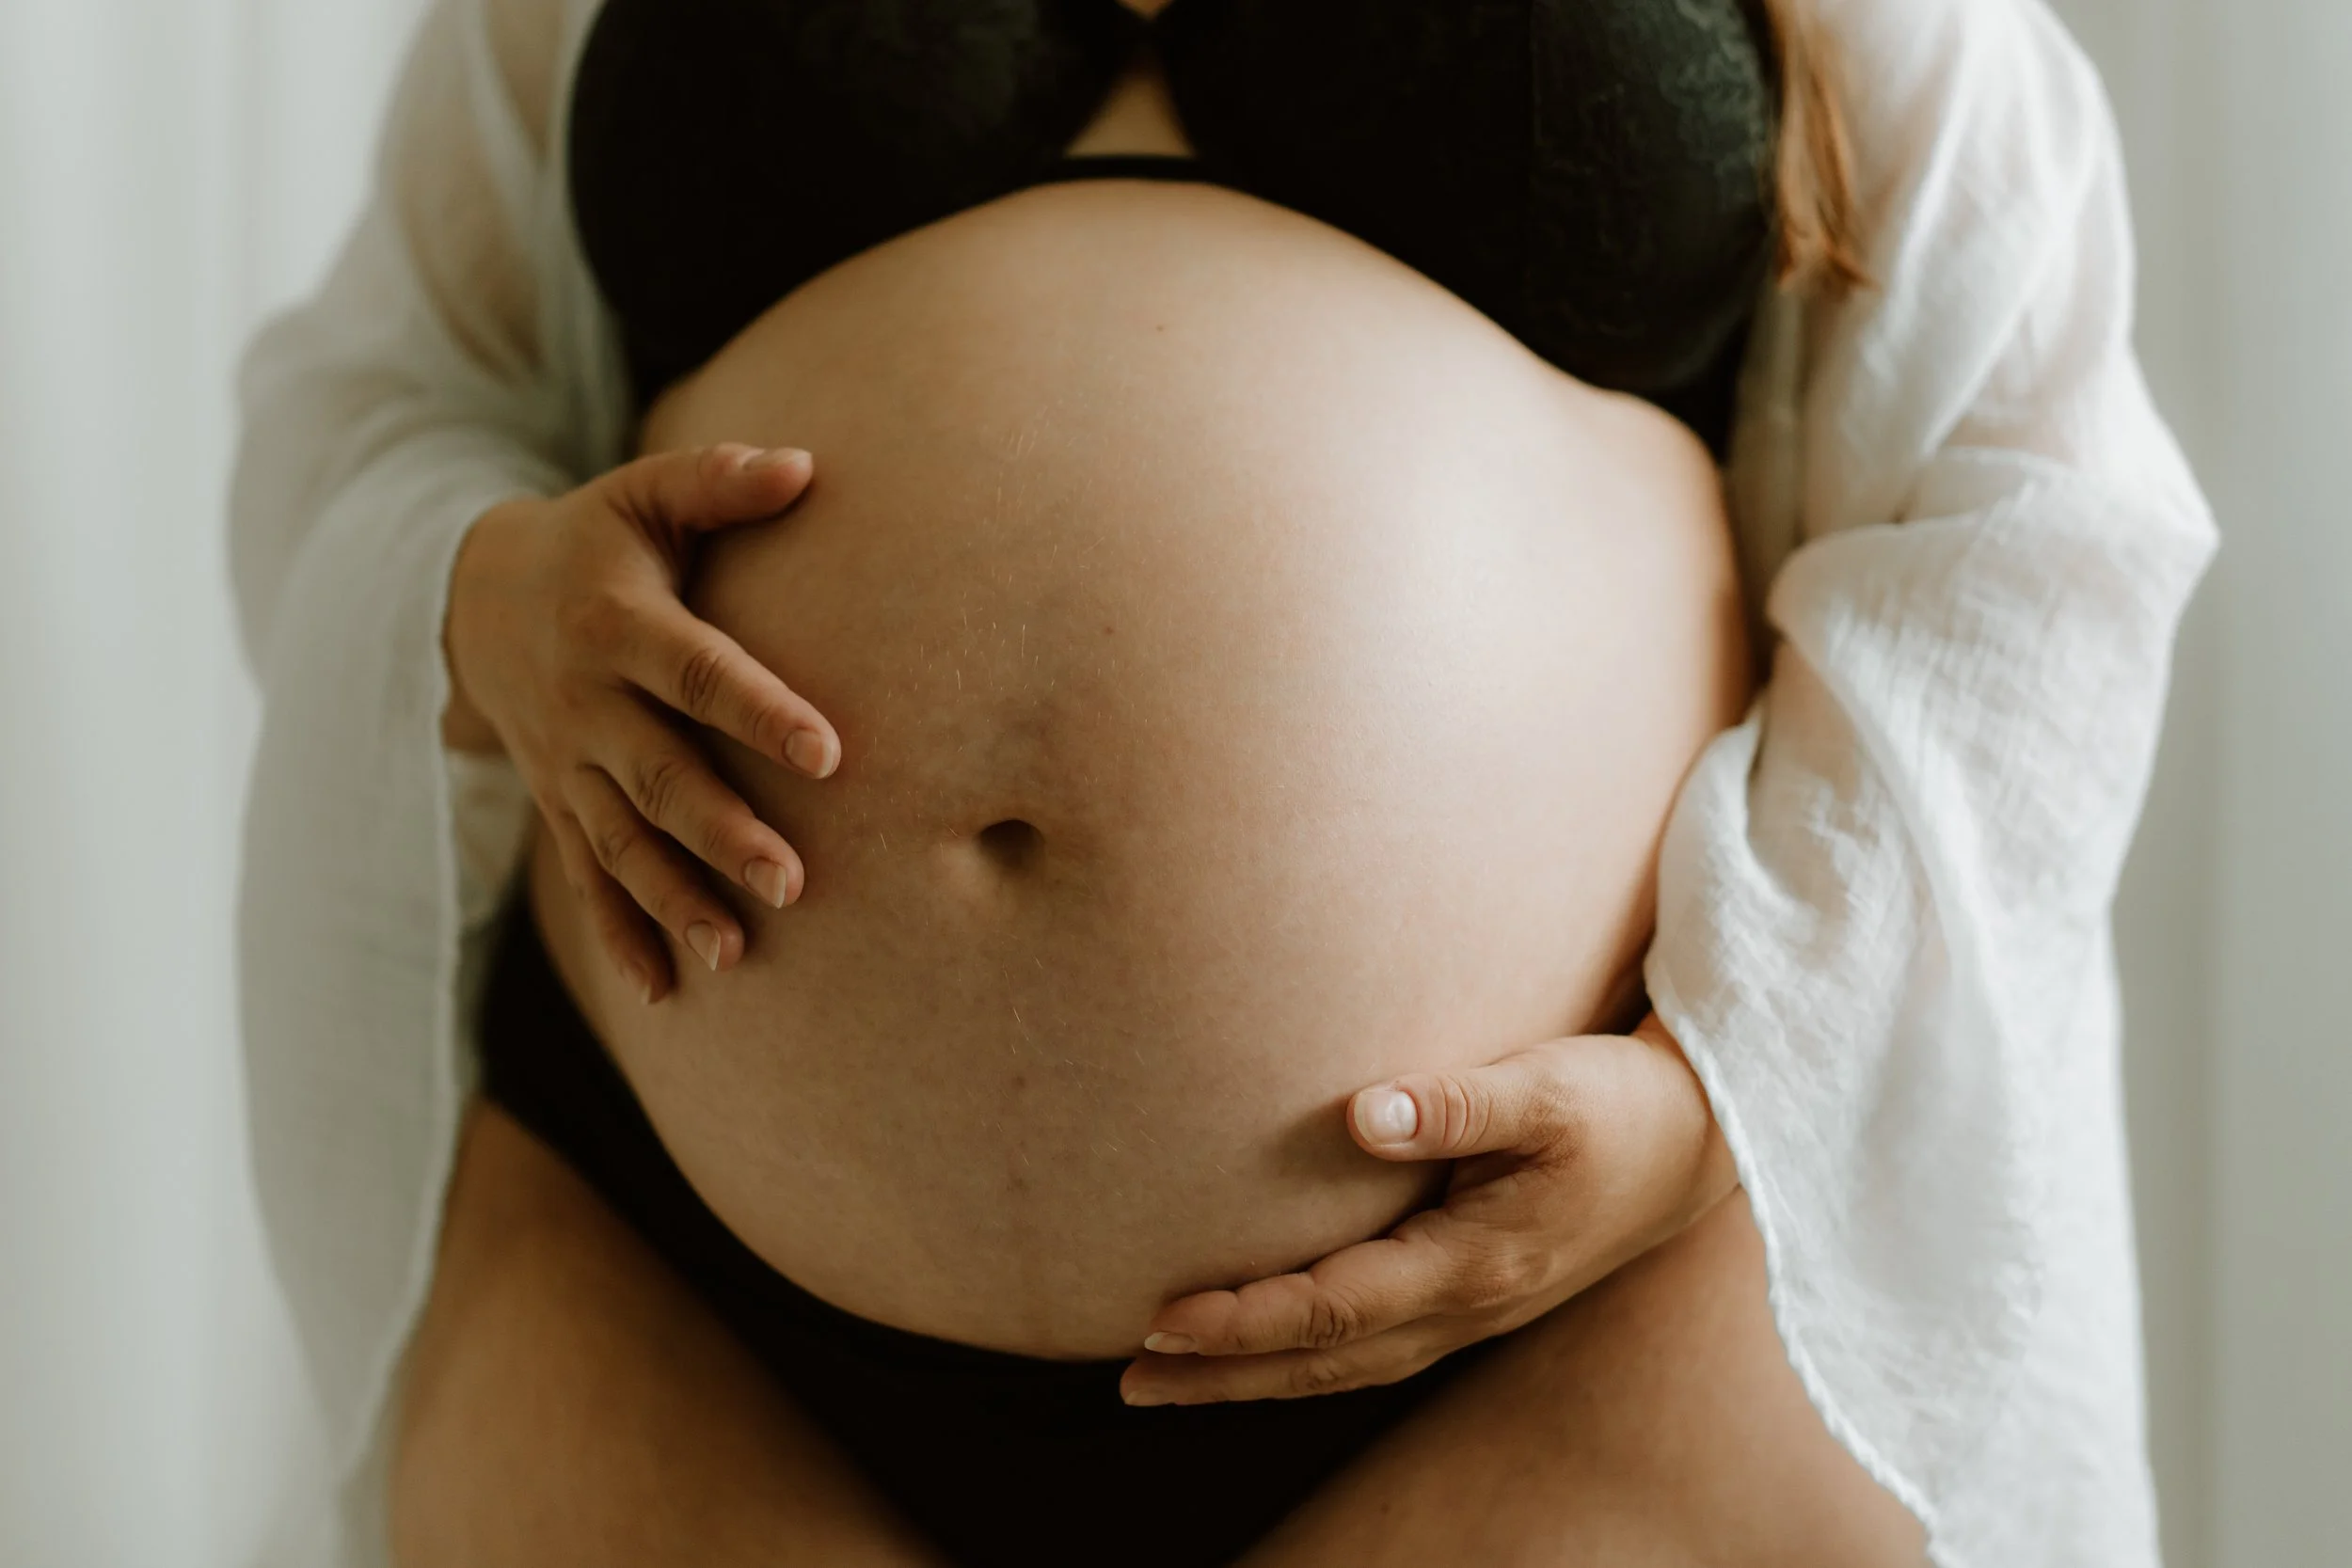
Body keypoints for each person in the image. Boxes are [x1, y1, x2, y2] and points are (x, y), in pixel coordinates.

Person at [228, 0, 2214, 1564]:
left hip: (1575, 1285)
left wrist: (1715, 1104)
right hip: (664, 1260)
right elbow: (369, 400)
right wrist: (478, 596)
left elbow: (2032, 509)